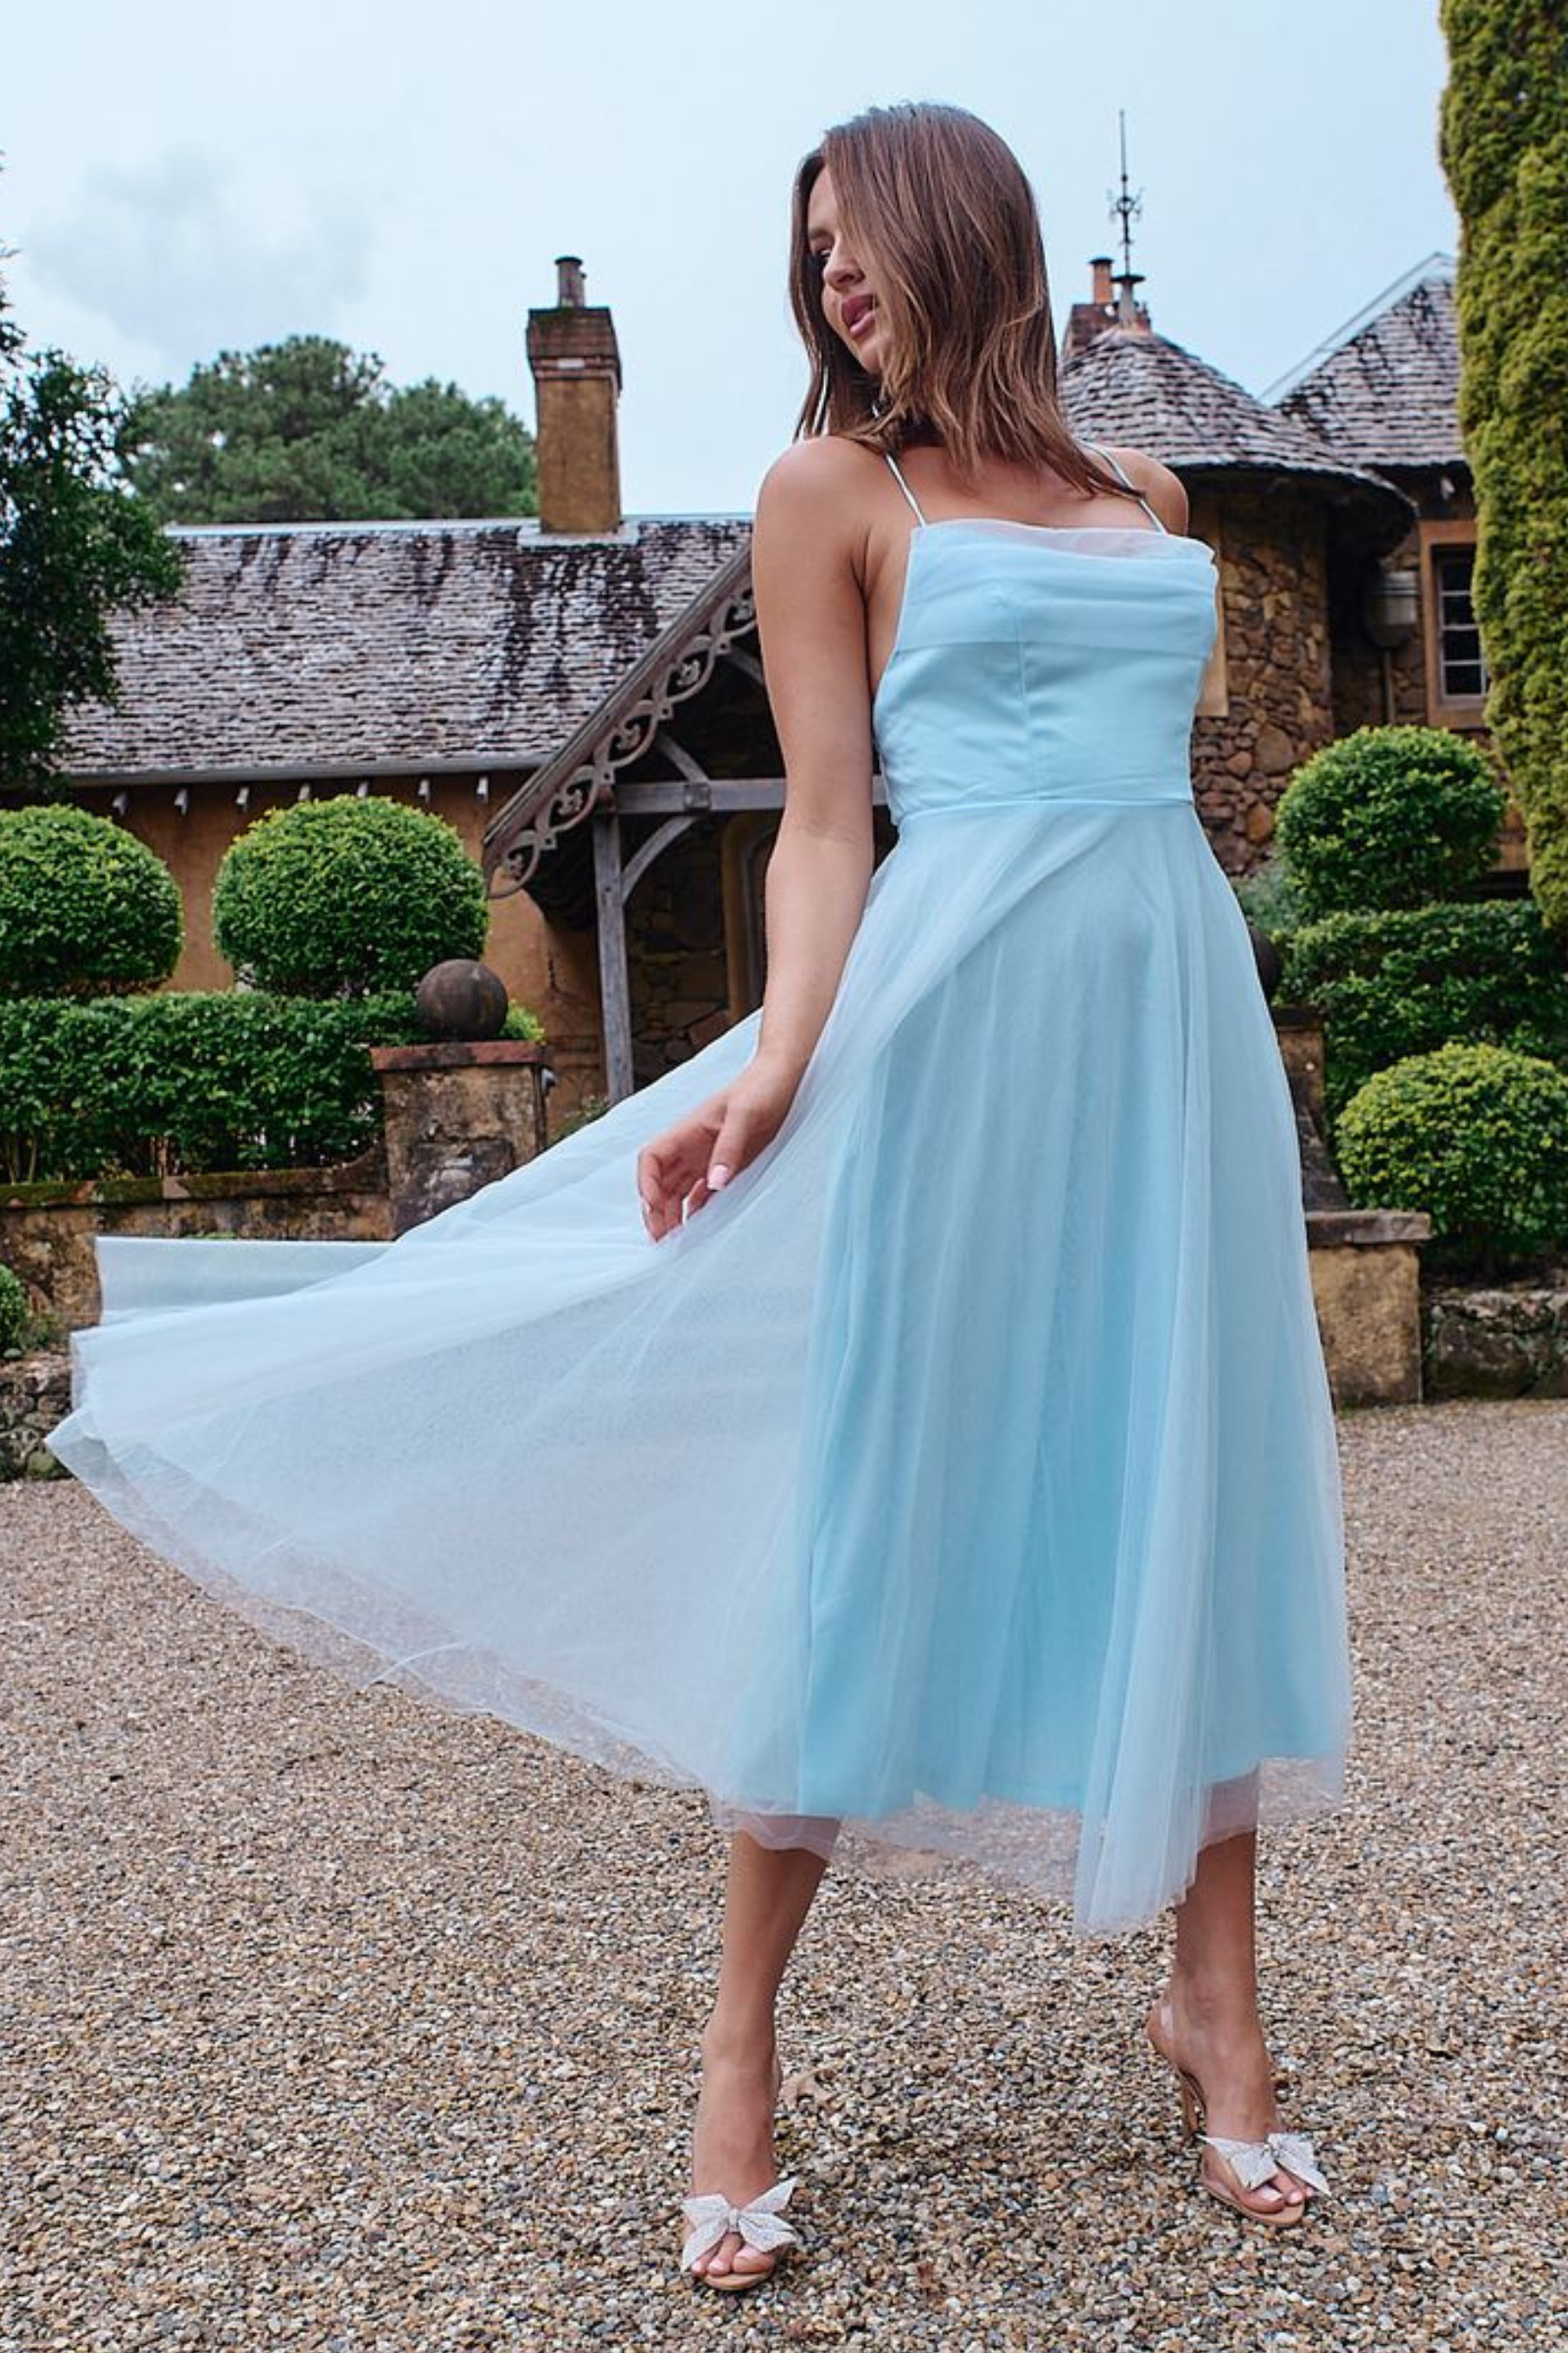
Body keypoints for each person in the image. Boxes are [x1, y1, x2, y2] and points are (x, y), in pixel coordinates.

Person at [48, 99, 1350, 2299]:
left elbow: (1152, 801)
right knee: (874, 1509)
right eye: (812, 253)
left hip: (1173, 1041)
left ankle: (1216, 2008)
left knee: (1197, 1481)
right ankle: (737, 2044)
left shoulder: (1147, 496)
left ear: (972, 231)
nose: (837, 281)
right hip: (961, 1043)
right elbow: (827, 825)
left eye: (863, 240)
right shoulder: (829, 492)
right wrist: (770, 1064)